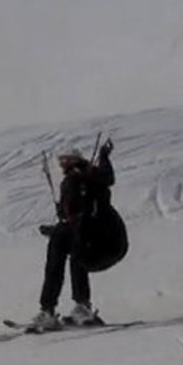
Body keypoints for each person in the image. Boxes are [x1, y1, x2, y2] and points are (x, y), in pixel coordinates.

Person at [33, 138, 126, 330]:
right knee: (60, 243)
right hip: (89, 237)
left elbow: (106, 179)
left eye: (66, 160)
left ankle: (81, 307)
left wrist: (102, 157)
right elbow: (73, 217)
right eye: (61, 161)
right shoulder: (74, 181)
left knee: (75, 245)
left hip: (106, 242)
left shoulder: (87, 179)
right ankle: (50, 309)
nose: (62, 164)